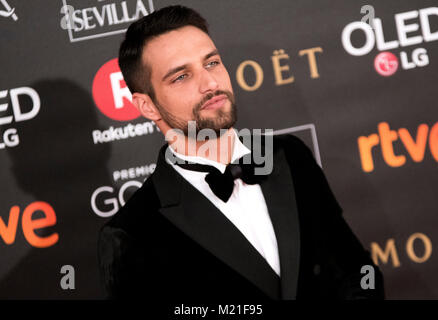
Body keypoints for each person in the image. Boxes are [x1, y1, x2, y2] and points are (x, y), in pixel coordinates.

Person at [97, 5, 384, 300]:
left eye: (212, 63)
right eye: (181, 77)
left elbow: (357, 273)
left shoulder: (289, 156)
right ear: (147, 106)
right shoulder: (131, 232)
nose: (210, 83)